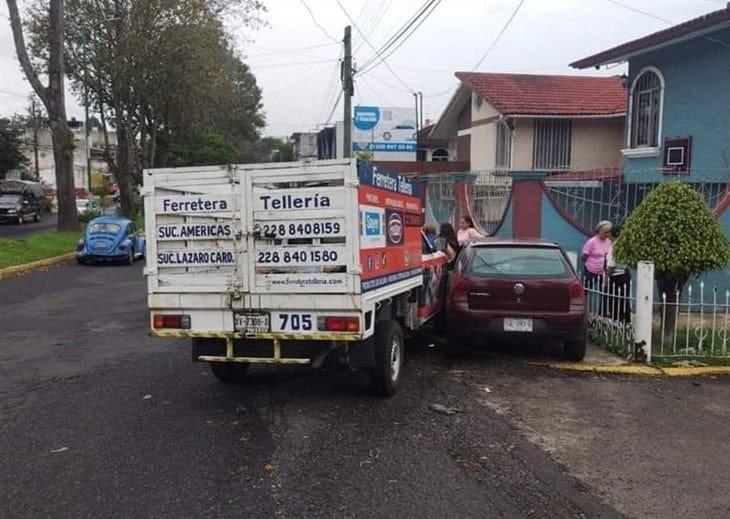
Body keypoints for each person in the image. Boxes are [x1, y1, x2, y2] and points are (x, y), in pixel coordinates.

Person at [581, 220, 612, 287]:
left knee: (604, 291)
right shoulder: (591, 242)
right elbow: (584, 256)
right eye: (605, 232)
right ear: (599, 231)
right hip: (590, 271)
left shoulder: (609, 242)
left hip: (603, 272)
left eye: (608, 232)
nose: (607, 234)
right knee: (586, 288)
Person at [606, 242, 631, 322]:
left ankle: (616, 319)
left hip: (616, 276)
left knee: (615, 299)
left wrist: (606, 280)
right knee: (624, 298)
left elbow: (611, 266)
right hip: (625, 274)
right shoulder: (625, 244)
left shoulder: (614, 247)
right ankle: (626, 320)